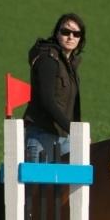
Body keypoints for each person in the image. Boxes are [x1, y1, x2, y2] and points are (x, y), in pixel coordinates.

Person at [23, 13, 86, 162]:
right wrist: (74, 130)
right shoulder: (48, 58)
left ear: (80, 39)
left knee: (70, 177)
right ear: (57, 33)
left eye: (76, 34)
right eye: (65, 32)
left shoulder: (70, 66)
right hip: (41, 135)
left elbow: (74, 107)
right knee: (39, 178)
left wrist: (76, 132)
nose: (70, 37)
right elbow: (47, 100)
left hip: (64, 137)